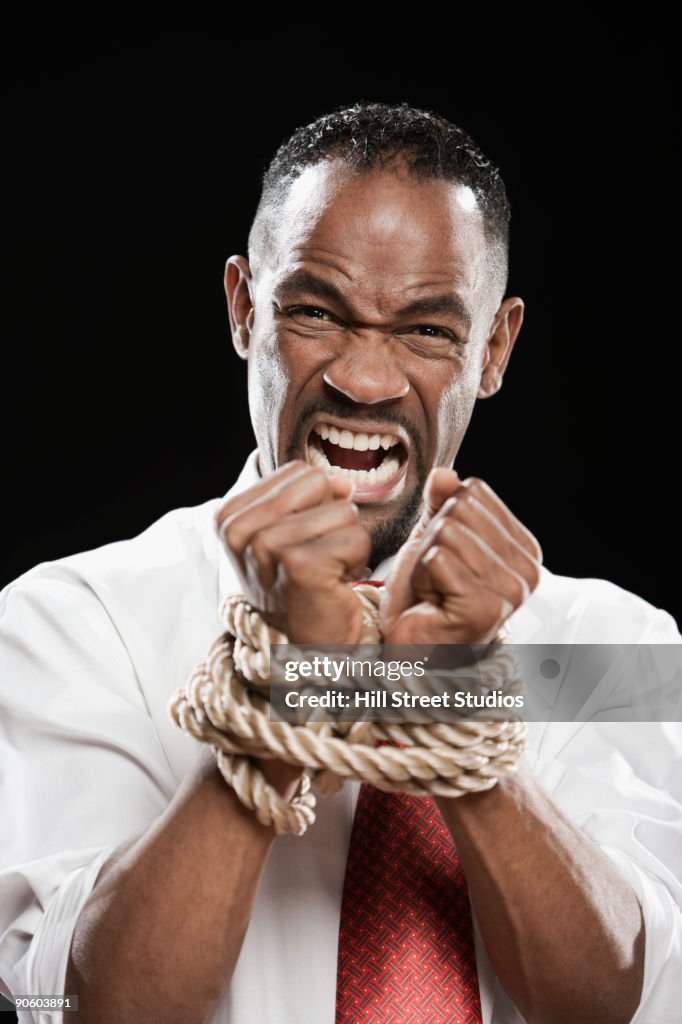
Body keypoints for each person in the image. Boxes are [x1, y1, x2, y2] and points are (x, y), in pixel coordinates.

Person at [0, 102, 680, 1024]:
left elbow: (613, 999)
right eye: (317, 311)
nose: (364, 379)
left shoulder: (622, 643)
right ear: (244, 307)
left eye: (428, 331)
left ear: (495, 348)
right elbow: (87, 1006)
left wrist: (442, 690)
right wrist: (292, 685)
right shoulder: (70, 620)